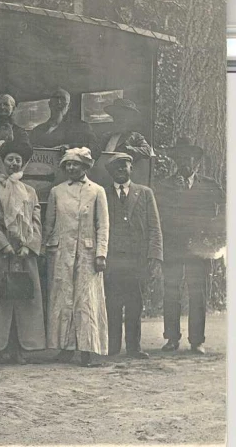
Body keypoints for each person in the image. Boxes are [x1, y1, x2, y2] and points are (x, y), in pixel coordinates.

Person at [155, 137, 225, 355]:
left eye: (191, 158)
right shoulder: (163, 187)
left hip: (200, 249)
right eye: (182, 157)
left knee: (198, 294)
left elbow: (225, 213)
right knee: (171, 292)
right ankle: (171, 338)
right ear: (176, 160)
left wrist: (215, 239)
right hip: (173, 247)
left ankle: (196, 340)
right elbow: (157, 218)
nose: (187, 162)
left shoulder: (210, 185)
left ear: (197, 162)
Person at [0, 141, 45, 364]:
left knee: (23, 298)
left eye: (18, 160)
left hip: (24, 253)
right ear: (2, 161)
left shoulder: (30, 191)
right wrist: (4, 245)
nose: (14, 163)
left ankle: (21, 348)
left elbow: (36, 222)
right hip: (1, 252)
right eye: (10, 159)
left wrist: (28, 246)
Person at [44, 147, 109, 367]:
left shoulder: (97, 191)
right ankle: (64, 347)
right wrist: (48, 249)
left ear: (85, 166)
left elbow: (103, 225)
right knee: (63, 298)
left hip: (87, 253)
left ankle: (87, 349)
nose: (71, 168)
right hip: (61, 252)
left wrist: (101, 254)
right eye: (68, 165)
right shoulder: (57, 191)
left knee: (86, 299)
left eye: (75, 164)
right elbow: (49, 224)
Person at [103, 153, 162, 359]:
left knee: (135, 303)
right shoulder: (103, 194)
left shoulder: (145, 193)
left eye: (124, 166)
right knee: (112, 303)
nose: (121, 170)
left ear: (131, 169)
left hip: (137, 259)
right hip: (112, 258)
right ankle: (112, 346)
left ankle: (134, 347)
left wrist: (155, 256)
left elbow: (154, 227)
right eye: (116, 167)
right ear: (111, 172)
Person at [31, 89, 100, 157]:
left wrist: (70, 146)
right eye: (56, 99)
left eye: (63, 99)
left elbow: (95, 148)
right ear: (50, 104)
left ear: (68, 106)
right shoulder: (37, 130)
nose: (59, 102)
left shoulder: (81, 127)